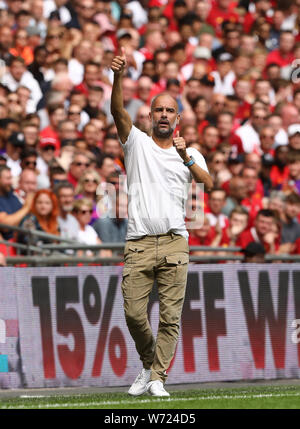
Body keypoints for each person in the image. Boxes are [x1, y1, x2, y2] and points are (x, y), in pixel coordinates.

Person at [110, 48, 213, 397]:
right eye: (159, 109)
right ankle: (149, 363)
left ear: (178, 118)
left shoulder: (190, 152)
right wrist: (118, 76)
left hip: (174, 241)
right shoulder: (136, 143)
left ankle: (157, 379)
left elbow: (208, 183)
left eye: (170, 110)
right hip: (139, 241)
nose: (164, 115)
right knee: (134, 314)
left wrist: (185, 157)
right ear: (150, 115)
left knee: (170, 318)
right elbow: (117, 112)